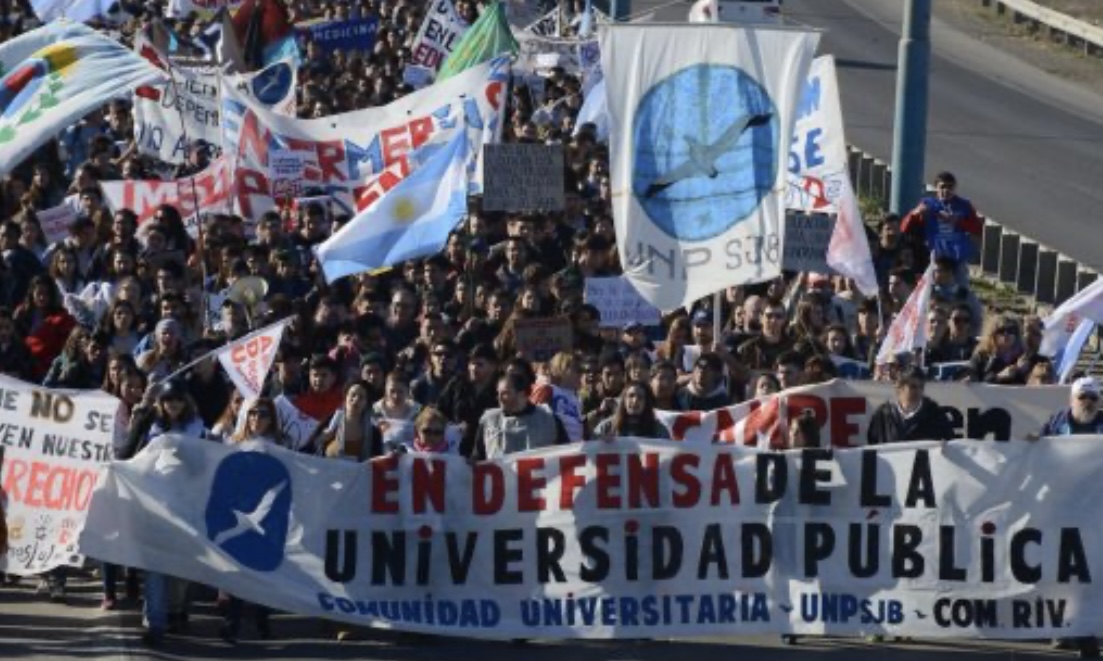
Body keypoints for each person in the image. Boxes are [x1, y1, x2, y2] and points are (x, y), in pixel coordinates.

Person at [1035, 376, 1103, 658]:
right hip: (1061, 509)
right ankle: (1062, 628)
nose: (1087, 403)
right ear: (1071, 399)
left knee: (1093, 573)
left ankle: (1088, 631)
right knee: (1062, 572)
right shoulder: (1055, 424)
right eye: (1082, 397)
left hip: (1095, 510)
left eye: (1092, 398)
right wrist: (1031, 445)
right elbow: (1036, 456)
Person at [473, 374, 569, 460]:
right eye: (498, 393)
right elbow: (478, 458)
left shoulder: (549, 420)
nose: (499, 398)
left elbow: (568, 455)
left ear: (522, 394)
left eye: (505, 393)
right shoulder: (489, 421)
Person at [867, 367, 955, 444]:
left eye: (921, 387)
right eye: (913, 387)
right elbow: (873, 444)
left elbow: (949, 444)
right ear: (899, 387)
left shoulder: (936, 415)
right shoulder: (883, 415)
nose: (918, 391)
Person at [313, 380, 384, 461]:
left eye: (361, 397)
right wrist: (320, 440)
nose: (356, 399)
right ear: (345, 398)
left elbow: (377, 461)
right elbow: (312, 451)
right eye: (353, 395)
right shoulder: (328, 422)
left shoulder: (374, 433)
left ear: (366, 403)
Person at [530, 351, 584, 443]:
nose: (581, 374)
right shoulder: (548, 390)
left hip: (575, 450)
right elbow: (534, 419)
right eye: (577, 369)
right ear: (561, 370)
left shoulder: (577, 399)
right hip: (555, 449)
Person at [593, 381, 671, 440]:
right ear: (624, 400)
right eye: (631, 396)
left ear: (646, 403)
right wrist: (602, 442)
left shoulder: (659, 430)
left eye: (640, 397)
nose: (635, 401)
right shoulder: (607, 427)